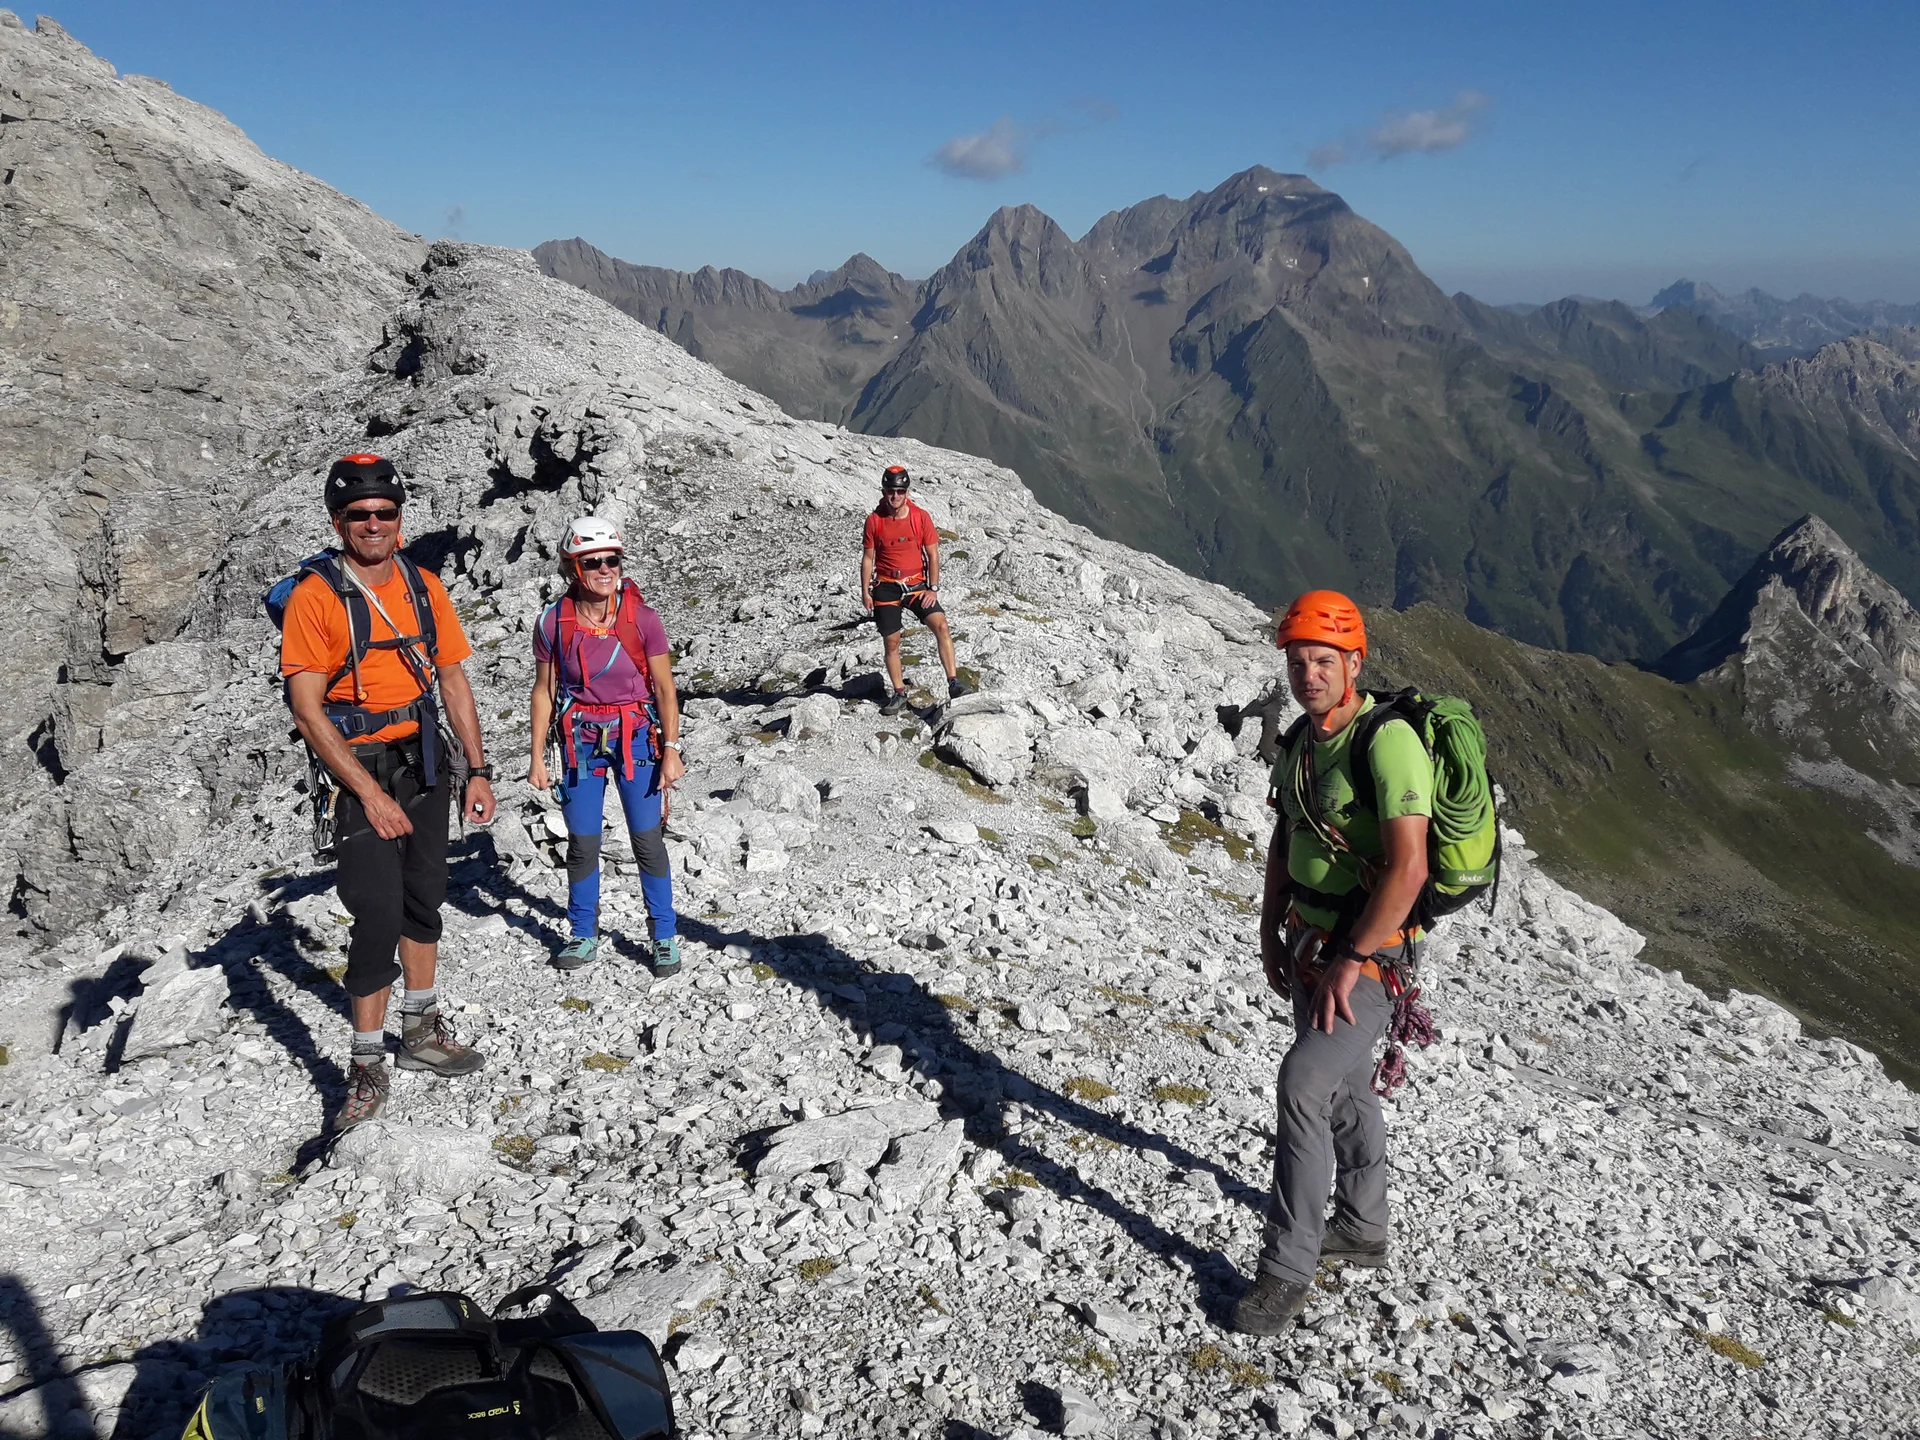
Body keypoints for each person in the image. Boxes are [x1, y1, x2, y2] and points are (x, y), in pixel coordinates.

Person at [1231, 591, 1434, 1337]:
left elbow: (1408, 871)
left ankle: (1287, 1269)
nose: (1307, 675)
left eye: (1322, 661)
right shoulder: (1301, 743)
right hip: (1311, 942)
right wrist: (1268, 929)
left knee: (1304, 1080)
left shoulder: (1388, 742)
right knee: (1345, 1086)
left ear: (1355, 663)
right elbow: (1288, 838)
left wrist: (1351, 960)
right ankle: (1363, 1226)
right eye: (1297, 661)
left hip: (1369, 955)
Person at [280, 454, 495, 1129]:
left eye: (384, 512)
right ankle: (366, 1064)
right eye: (358, 515)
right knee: (375, 912)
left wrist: (478, 770)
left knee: (425, 895)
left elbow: (452, 679)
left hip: (424, 759)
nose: (372, 524)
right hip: (360, 770)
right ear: (337, 521)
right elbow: (308, 709)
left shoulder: (424, 585)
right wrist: (368, 795)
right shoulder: (317, 597)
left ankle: (422, 1034)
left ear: (401, 518)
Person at [527, 517, 686, 975]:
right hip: (579, 740)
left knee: (647, 840)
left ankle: (664, 935)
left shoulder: (643, 619)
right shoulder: (553, 622)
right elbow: (543, 690)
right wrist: (536, 756)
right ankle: (582, 933)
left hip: (636, 736)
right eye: (593, 562)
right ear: (573, 568)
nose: (604, 570)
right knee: (582, 842)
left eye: (611, 560)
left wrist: (671, 748)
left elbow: (664, 688)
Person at [860, 464, 974, 716]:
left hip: (916, 586)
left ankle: (953, 683)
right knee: (892, 641)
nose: (895, 496)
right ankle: (899, 693)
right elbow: (868, 558)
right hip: (886, 588)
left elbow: (933, 554)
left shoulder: (919, 517)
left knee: (941, 625)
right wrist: (865, 591)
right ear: (883, 490)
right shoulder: (874, 520)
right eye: (891, 490)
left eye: (900, 491)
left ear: (907, 492)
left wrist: (932, 588)